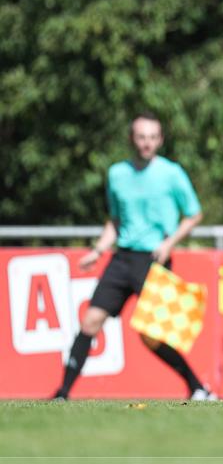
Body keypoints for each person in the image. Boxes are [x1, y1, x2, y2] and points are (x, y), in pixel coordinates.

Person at [52, 113, 213, 400]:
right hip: (122, 258)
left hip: (154, 259)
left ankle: (197, 387)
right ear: (131, 139)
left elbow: (194, 214)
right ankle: (63, 393)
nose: (146, 143)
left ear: (160, 140)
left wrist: (169, 243)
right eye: (141, 137)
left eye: (152, 137)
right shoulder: (117, 174)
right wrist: (98, 250)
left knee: (151, 336)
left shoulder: (171, 173)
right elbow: (115, 220)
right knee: (90, 322)